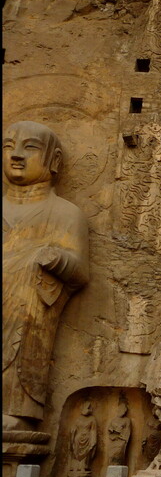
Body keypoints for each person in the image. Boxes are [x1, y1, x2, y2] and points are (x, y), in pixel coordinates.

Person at [3, 121, 89, 432]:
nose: (16, 155)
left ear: (53, 160)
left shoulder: (64, 213)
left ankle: (17, 408)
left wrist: (55, 258)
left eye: (30, 147)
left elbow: (80, 274)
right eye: (8, 146)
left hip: (28, 308)